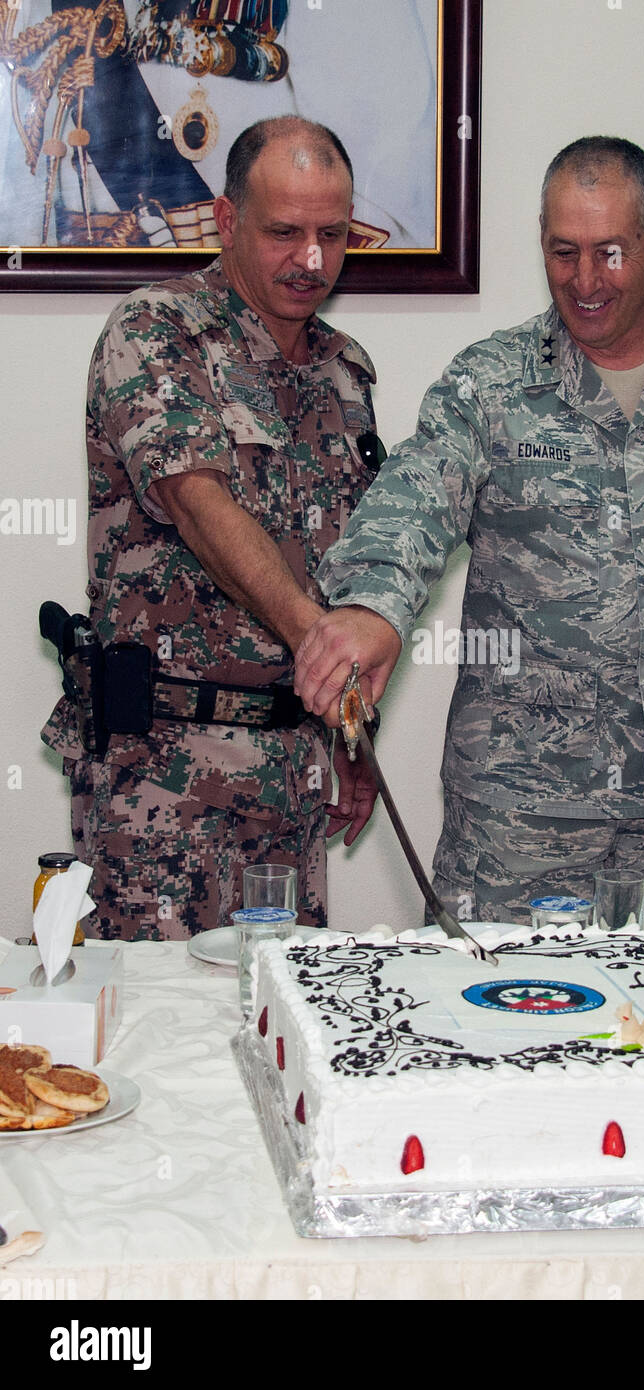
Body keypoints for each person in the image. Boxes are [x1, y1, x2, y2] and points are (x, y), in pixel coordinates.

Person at [293, 136, 644, 927]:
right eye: (563, 252)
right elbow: (415, 493)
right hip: (524, 808)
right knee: (493, 1033)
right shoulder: (490, 382)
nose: (585, 281)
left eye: (611, 253)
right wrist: (372, 606)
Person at [41, 115, 380, 940]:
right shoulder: (155, 330)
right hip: (162, 775)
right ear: (227, 221)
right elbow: (198, 504)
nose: (310, 259)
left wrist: (351, 734)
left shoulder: (346, 368)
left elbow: (356, 558)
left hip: (290, 773)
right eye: (284, 232)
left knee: (283, 1021)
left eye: (331, 235)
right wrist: (326, 653)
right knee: (153, 1039)